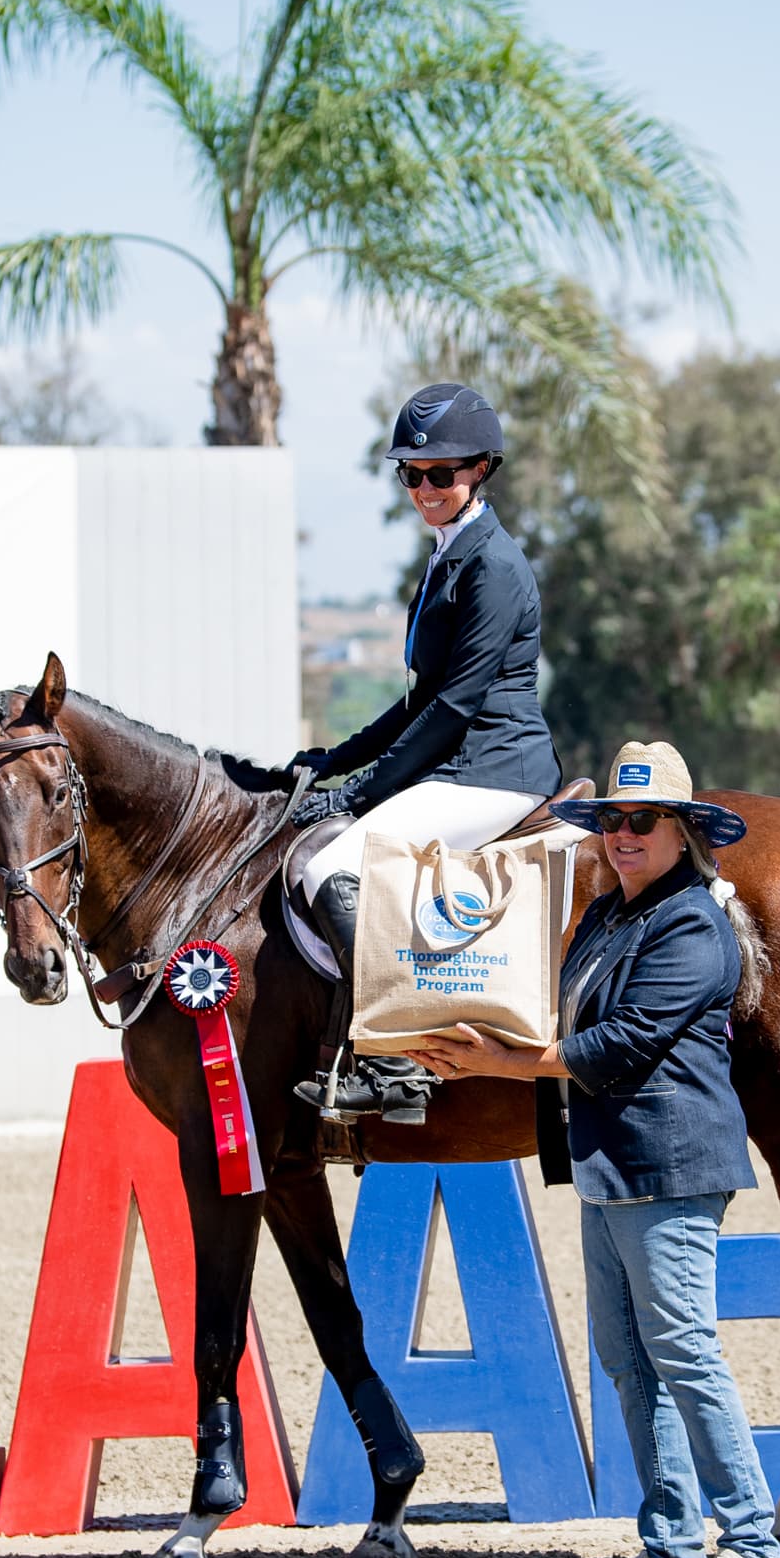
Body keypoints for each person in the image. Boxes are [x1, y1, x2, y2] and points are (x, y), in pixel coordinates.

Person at [409, 742, 780, 1558]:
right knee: (629, 1360)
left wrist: (494, 1063)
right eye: (614, 818)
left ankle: (753, 1548)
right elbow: (553, 1010)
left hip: (669, 1162)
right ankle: (670, 1548)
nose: (623, 833)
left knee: (684, 1351)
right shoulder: (605, 917)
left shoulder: (691, 922)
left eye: (642, 820)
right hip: (611, 1163)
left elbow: (619, 1044)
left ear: (682, 830)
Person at [284, 382, 562, 1123]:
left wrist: (358, 793)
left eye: (440, 473)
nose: (423, 488)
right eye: (411, 473)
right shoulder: (448, 555)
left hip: (494, 770)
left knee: (330, 866)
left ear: (481, 468)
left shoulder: (493, 565)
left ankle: (399, 1064)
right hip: (458, 763)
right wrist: (335, 759)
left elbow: (454, 707)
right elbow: (418, 700)